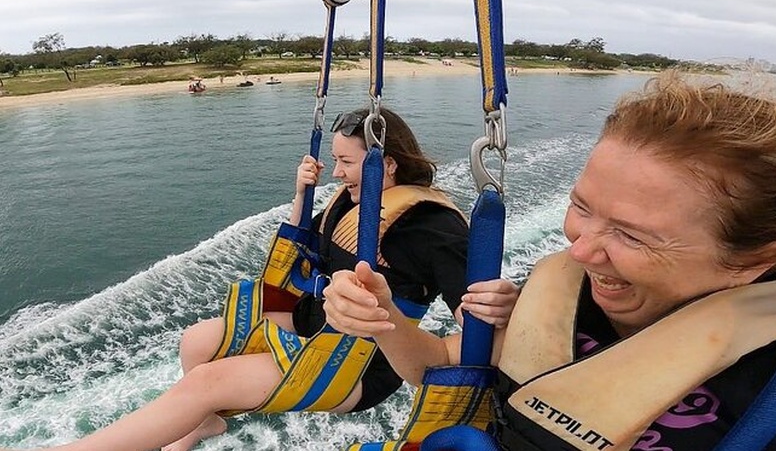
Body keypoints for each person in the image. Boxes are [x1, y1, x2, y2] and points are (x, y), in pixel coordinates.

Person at [324, 72, 776, 450]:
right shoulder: (557, 293)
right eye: (581, 207)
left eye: (633, 236)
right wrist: (384, 319)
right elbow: (438, 371)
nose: (580, 251)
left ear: (751, 261)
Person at [26, 106, 518, 451]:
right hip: (310, 322)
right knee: (196, 341)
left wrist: (497, 308)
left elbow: (472, 320)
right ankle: (204, 425)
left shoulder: (433, 226)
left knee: (209, 379)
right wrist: (301, 191)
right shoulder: (351, 202)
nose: (337, 172)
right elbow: (300, 247)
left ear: (385, 165)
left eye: (346, 163)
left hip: (359, 362)